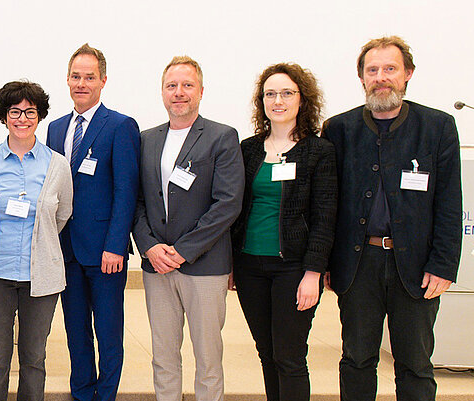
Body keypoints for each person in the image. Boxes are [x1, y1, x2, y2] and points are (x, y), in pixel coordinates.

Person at [323, 36, 462, 401]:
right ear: (362, 78)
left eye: (390, 69)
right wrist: (322, 262)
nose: (381, 77)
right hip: (357, 264)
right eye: (373, 70)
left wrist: (444, 265)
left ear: (408, 75)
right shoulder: (339, 129)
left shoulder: (437, 127)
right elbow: (327, 204)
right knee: (356, 359)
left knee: (415, 364)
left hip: (416, 266)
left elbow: (449, 203)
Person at [131, 56, 244, 401]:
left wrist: (182, 251)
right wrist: (149, 246)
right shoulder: (146, 139)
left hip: (204, 266)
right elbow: (136, 203)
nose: (178, 93)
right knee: (163, 357)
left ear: (201, 91)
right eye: (171, 86)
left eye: (186, 85)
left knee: (208, 360)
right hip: (157, 266)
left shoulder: (221, 137)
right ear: (162, 92)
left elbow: (227, 203)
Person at [229, 63, 336, 401]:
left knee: (289, 357)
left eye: (287, 93)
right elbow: (237, 211)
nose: (278, 100)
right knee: (266, 352)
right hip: (250, 267)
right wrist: (232, 263)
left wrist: (313, 273)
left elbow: (324, 218)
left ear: (302, 100)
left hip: (294, 268)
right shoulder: (247, 149)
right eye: (270, 94)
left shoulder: (319, 152)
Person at [44, 43, 140, 401]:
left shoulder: (119, 125)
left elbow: (126, 191)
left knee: (109, 331)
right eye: (75, 76)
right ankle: (82, 392)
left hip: (104, 252)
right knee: (75, 329)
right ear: (67, 80)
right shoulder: (54, 129)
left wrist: (116, 245)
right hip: (65, 249)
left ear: (103, 81)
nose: (81, 83)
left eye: (89, 77)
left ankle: (107, 394)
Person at [0, 81, 73, 401]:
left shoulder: (57, 165)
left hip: (41, 278)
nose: (22, 118)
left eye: (30, 111)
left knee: (34, 359)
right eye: (14, 111)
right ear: (4, 116)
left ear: (40, 115)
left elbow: (62, 215)